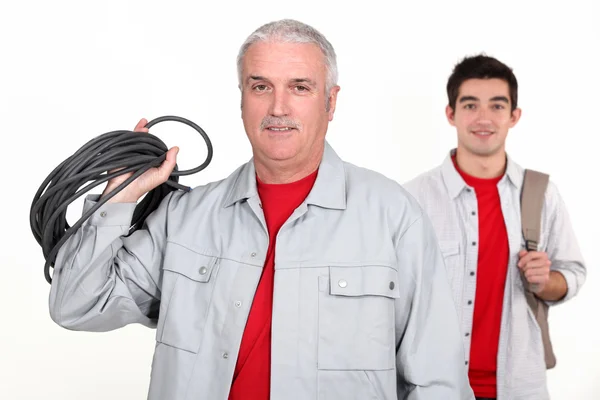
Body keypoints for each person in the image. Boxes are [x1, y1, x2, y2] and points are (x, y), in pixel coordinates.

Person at [49, 19, 473, 399]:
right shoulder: (184, 216)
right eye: (260, 86)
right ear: (242, 98)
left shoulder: (393, 215)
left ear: (331, 101)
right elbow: (76, 305)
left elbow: (438, 381)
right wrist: (119, 196)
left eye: (300, 87)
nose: (278, 108)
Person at [404, 54, 586, 400]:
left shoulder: (541, 194)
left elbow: (573, 273)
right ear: (451, 114)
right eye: (470, 105)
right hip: (434, 389)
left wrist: (546, 282)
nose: (484, 118)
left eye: (497, 106)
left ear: (514, 116)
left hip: (521, 387)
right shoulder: (413, 198)